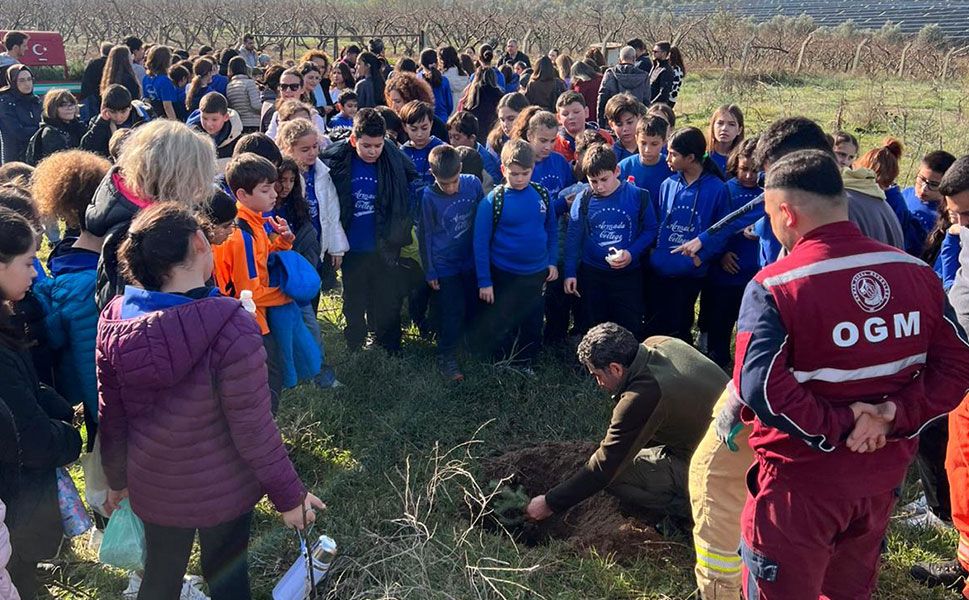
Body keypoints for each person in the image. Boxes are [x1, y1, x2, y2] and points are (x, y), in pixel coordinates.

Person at [729, 148, 969, 599]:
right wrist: (892, 415)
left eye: (768, 214)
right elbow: (958, 365)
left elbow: (759, 385)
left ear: (787, 213)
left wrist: (839, 426)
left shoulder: (775, 286)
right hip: (880, 480)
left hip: (799, 487)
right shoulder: (916, 273)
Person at [98, 203, 324, 600]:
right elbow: (253, 427)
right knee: (227, 578)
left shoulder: (115, 320)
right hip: (225, 490)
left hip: (156, 486)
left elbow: (112, 416)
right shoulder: (231, 323)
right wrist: (290, 497)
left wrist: (117, 479)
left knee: (160, 576)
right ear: (201, 242)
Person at [526, 323, 726, 528]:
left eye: (597, 375)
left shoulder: (643, 395)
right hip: (736, 445)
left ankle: (699, 511)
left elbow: (604, 469)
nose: (598, 383)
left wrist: (549, 503)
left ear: (615, 368)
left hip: (721, 471)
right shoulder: (662, 342)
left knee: (617, 477)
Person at [0, 204, 82, 599]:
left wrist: (55, 404)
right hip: (14, 503)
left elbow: (25, 390)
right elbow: (28, 439)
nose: (36, 272)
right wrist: (70, 438)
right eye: (29, 262)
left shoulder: (7, 319)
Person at [86, 120, 218, 309]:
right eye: (197, 174)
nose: (201, 186)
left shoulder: (127, 211)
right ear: (177, 175)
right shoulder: (142, 231)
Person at [31, 150, 110, 448]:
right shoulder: (83, 282)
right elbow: (92, 366)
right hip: (106, 410)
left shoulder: (65, 262)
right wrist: (108, 423)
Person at [915, 155, 969, 591]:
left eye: (968, 213)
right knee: (959, 465)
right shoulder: (964, 233)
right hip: (962, 370)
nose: (961, 222)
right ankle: (967, 563)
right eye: (955, 214)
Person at [321, 108, 416, 353]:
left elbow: (409, 178)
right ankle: (355, 342)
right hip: (353, 247)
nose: (373, 151)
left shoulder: (392, 158)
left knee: (387, 298)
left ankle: (388, 344)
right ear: (354, 140)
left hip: (383, 244)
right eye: (366, 146)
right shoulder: (339, 158)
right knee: (354, 298)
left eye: (377, 145)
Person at [472, 138, 558, 368]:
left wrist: (552, 261)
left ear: (533, 169)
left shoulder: (542, 194)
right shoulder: (493, 201)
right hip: (503, 273)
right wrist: (485, 282)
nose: (520, 179)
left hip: (535, 273)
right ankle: (500, 362)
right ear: (503, 169)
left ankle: (526, 363)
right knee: (502, 320)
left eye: (525, 173)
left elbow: (551, 229)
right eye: (514, 174)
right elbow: (480, 244)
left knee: (532, 321)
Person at [564, 145, 657, 336]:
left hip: (628, 274)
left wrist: (631, 253)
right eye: (593, 181)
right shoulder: (584, 200)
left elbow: (650, 229)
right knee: (594, 325)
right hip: (592, 274)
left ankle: (628, 364)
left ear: (617, 171)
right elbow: (573, 237)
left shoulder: (639, 196)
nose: (599, 186)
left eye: (604, 179)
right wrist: (570, 272)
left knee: (628, 325)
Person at [647, 127, 729, 343]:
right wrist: (655, 253)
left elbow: (722, 231)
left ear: (691, 157)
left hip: (690, 273)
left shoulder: (717, 189)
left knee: (680, 325)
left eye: (673, 154)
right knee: (656, 322)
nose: (668, 158)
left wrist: (701, 257)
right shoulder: (668, 184)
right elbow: (658, 223)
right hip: (660, 268)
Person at [419, 145, 483, 380]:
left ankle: (472, 346)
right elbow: (425, 234)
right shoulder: (428, 197)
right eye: (444, 183)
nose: (451, 187)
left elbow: (483, 218)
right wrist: (430, 271)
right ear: (432, 173)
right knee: (452, 311)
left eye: (454, 181)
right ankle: (446, 355)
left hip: (470, 260)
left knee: (474, 306)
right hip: (445, 265)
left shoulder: (473, 184)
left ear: (461, 170)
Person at [701, 138, 761, 371]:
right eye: (744, 169)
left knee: (749, 326)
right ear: (736, 165)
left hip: (753, 275)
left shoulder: (766, 194)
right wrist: (722, 254)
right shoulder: (725, 190)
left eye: (755, 170)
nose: (749, 175)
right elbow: (713, 228)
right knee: (720, 323)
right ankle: (718, 366)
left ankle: (746, 368)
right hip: (723, 274)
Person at [903, 150, 956, 251]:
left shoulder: (950, 214)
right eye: (921, 179)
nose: (924, 188)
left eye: (934, 184)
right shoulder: (904, 194)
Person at [79, 84, 151, 158]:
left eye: (123, 112)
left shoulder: (143, 118)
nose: (118, 116)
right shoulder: (98, 122)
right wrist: (101, 123)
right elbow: (85, 150)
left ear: (130, 107)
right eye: (113, 112)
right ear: (105, 108)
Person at [618, 115, 673, 204]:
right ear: (636, 139)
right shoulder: (624, 167)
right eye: (643, 143)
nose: (647, 150)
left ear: (664, 142)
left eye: (654, 144)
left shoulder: (671, 167)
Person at [24, 89, 86, 166]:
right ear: (52, 108)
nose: (69, 108)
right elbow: (58, 164)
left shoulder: (80, 127)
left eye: (72, 103)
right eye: (63, 105)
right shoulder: (50, 132)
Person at [264, 69, 328, 139]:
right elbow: (269, 139)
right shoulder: (276, 115)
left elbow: (319, 143)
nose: (288, 90)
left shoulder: (313, 116)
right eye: (283, 86)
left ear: (302, 89)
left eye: (294, 86)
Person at [552, 91, 611, 163]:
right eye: (565, 114)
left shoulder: (604, 137)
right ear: (558, 118)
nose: (571, 117)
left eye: (576, 112)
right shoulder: (554, 144)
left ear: (586, 112)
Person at [595, 46, 648, 128]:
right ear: (634, 59)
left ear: (619, 59)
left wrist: (601, 123)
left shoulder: (610, 74)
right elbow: (646, 102)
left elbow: (602, 98)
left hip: (614, 121)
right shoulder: (644, 76)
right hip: (636, 122)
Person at [446, 110, 501, 188]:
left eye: (457, 137)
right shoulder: (450, 152)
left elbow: (495, 184)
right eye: (450, 136)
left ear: (472, 138)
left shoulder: (485, 160)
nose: (452, 142)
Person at [187, 92, 242, 167]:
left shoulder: (236, 137)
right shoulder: (190, 137)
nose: (209, 124)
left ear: (226, 117)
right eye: (204, 118)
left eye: (214, 119)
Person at [0, 65, 41, 165]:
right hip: (15, 157)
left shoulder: (35, 101)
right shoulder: (5, 103)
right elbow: (17, 131)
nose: (27, 84)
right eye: (21, 80)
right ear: (13, 82)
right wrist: (41, 130)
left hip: (35, 154)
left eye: (29, 79)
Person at [463, 68, 505, 142]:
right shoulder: (499, 94)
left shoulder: (472, 94)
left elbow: (466, 110)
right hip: (492, 131)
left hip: (475, 131)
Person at [605, 93, 647, 162]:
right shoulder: (610, 156)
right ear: (611, 125)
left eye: (630, 122)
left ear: (639, 118)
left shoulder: (653, 148)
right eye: (619, 124)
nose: (625, 129)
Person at [226, 56, 261, 133]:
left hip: (239, 123)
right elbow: (256, 105)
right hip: (254, 122)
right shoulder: (249, 83)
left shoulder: (229, 85)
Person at [142, 45, 178, 119]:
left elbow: (147, 100)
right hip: (164, 117)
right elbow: (167, 106)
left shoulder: (146, 78)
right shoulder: (165, 81)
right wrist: (174, 122)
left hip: (153, 116)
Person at [706, 104, 744, 175]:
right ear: (713, 126)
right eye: (720, 123)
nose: (724, 128)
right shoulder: (701, 155)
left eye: (731, 124)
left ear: (739, 130)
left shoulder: (744, 158)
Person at [80, 42, 114, 118]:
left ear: (101, 51)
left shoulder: (93, 63)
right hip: (104, 95)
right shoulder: (112, 65)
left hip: (90, 94)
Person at [440, 46, 470, 110]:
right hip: (463, 112)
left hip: (449, 113)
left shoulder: (444, 77)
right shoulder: (464, 75)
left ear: (443, 60)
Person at [649, 41, 675, 106]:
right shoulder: (655, 66)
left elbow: (663, 94)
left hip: (657, 107)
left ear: (664, 53)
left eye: (655, 52)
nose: (653, 54)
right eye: (652, 51)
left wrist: (650, 105)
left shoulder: (666, 70)